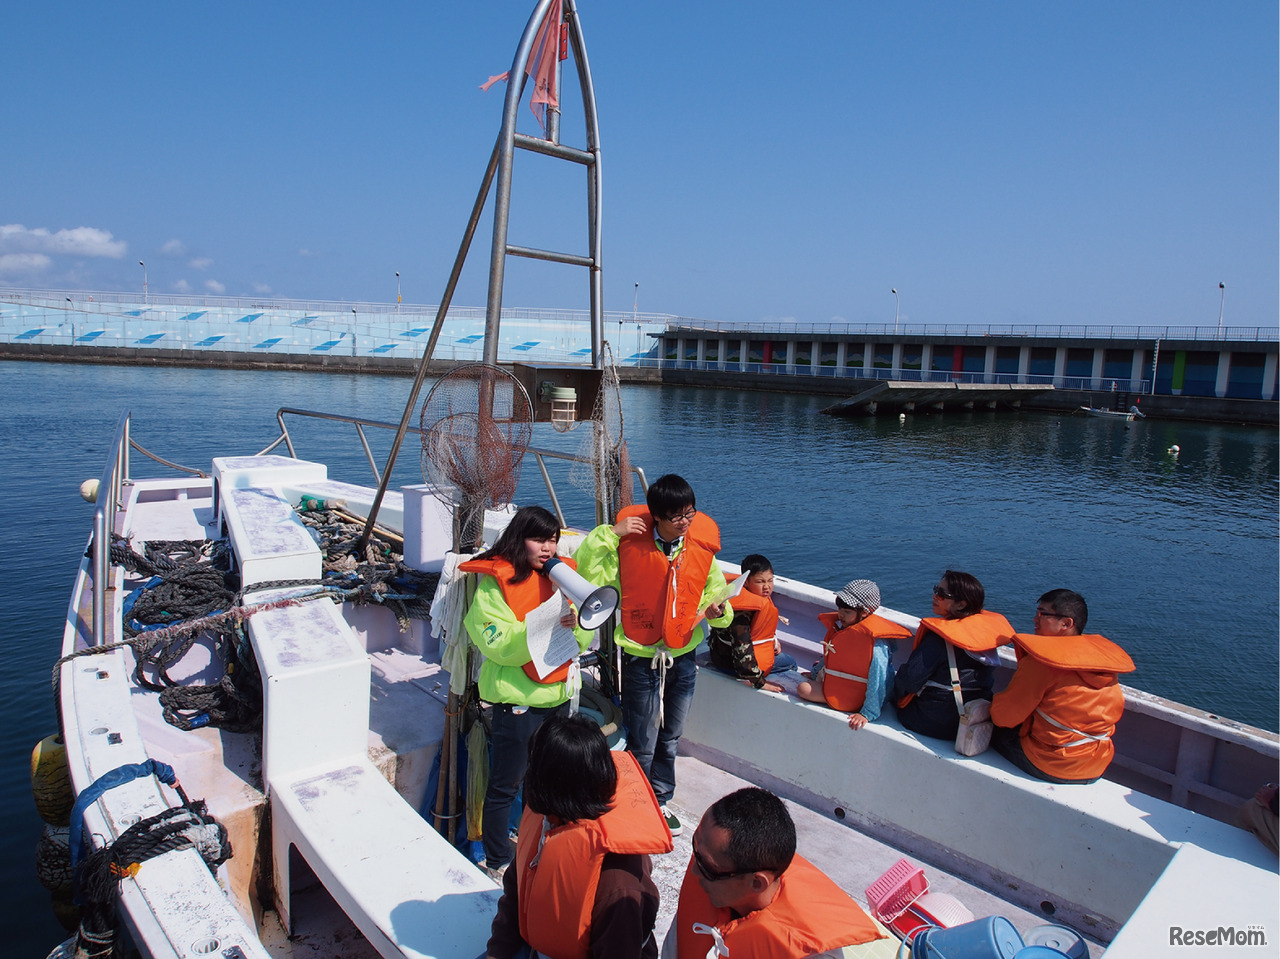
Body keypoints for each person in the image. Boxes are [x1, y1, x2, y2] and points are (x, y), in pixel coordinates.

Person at [573, 474, 732, 836]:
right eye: (677, 516)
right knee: (643, 738)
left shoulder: (699, 548)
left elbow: (716, 594)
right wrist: (610, 534)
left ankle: (661, 798)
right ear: (656, 518)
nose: (686, 522)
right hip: (641, 658)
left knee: (671, 736)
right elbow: (589, 572)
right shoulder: (629, 547)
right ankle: (636, 801)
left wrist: (720, 613)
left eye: (690, 513)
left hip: (683, 658)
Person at [462, 505, 592, 879]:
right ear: (519, 540)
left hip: (558, 699)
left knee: (547, 782)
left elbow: (582, 636)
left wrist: (573, 627)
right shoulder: (494, 585)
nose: (548, 547)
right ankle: (498, 858)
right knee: (505, 784)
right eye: (539, 539)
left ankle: (538, 842)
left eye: (552, 539)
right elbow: (495, 643)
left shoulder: (562, 580)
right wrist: (543, 627)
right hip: (516, 704)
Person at [485, 714, 672, 959]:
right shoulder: (548, 820)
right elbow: (516, 888)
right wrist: (497, 953)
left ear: (546, 784)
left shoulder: (618, 886)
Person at [662, 787, 885, 958]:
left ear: (757, 883)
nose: (693, 870)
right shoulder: (711, 876)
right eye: (695, 849)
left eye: (707, 867)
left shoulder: (810, 954)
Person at [991, 589, 1136, 784]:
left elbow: (1003, 717)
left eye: (1043, 614)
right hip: (1097, 764)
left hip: (1052, 764)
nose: (1035, 619)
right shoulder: (1102, 664)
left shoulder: (1042, 663)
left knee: (982, 725)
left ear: (1067, 623)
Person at [892, 570, 1014, 741]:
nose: (935, 596)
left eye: (942, 594)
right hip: (969, 720)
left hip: (932, 722)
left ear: (961, 605)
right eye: (936, 589)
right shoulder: (985, 636)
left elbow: (910, 680)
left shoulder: (938, 639)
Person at [796, 580, 913, 730]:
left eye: (847, 612)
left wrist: (867, 713)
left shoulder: (875, 644)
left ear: (865, 612)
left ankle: (854, 704)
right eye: (840, 609)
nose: (841, 615)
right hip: (841, 684)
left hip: (861, 697)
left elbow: (878, 678)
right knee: (805, 685)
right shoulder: (843, 630)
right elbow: (830, 656)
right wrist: (814, 674)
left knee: (803, 689)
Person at [707, 554, 786, 692]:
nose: (767, 587)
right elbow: (741, 648)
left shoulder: (755, 599)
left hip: (723, 655)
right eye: (760, 582)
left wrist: (773, 641)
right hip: (730, 664)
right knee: (790, 663)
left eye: (770, 580)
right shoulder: (741, 613)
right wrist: (759, 682)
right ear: (746, 582)